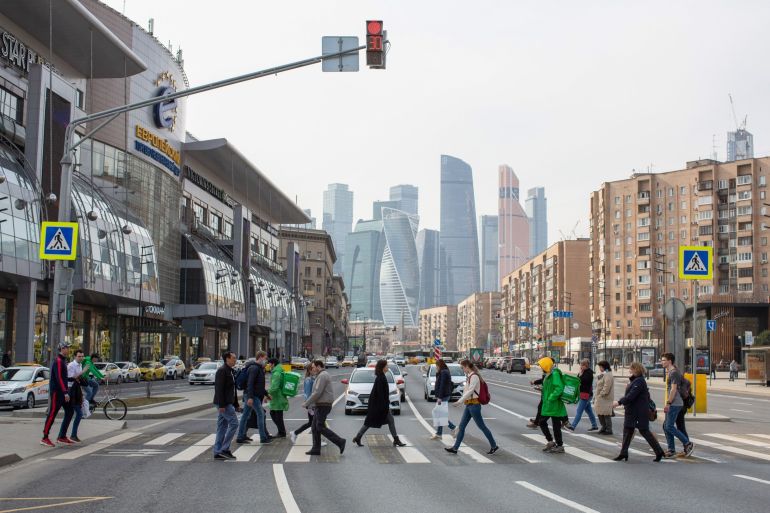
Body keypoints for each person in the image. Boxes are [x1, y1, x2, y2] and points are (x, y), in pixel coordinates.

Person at [612, 361, 665, 462]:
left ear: (636, 369)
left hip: (638, 412)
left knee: (644, 431)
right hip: (633, 411)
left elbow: (631, 396)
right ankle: (623, 453)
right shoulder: (635, 380)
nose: (629, 370)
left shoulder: (639, 381)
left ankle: (659, 451)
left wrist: (618, 402)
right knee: (628, 431)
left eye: (631, 369)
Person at [444, 359, 498, 455]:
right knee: (461, 427)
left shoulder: (474, 377)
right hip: (469, 405)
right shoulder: (470, 376)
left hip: (474, 406)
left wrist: (459, 401)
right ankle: (455, 448)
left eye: (462, 368)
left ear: (467, 366)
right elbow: (467, 391)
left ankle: (494, 445)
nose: (462, 370)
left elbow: (470, 391)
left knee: (482, 427)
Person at [353, 359, 406, 447]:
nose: (388, 367)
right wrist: (384, 406)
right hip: (379, 406)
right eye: (386, 366)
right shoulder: (381, 378)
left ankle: (358, 437)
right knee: (370, 422)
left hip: (378, 405)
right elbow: (381, 394)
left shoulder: (381, 376)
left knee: (372, 422)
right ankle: (396, 440)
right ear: (382, 367)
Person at [302, 360, 345, 456]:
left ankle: (340, 441)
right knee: (314, 427)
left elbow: (317, 392)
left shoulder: (322, 376)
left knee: (319, 426)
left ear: (318, 366)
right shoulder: (320, 375)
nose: (312, 369)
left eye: (313, 367)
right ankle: (316, 449)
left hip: (324, 405)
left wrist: (307, 403)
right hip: (320, 404)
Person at [41, 342, 75, 447]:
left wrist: (72, 379)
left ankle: (62, 436)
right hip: (57, 392)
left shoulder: (63, 360)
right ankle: (44, 438)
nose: (68, 350)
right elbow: (59, 378)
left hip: (62, 392)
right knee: (52, 413)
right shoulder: (59, 361)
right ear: (62, 349)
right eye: (67, 348)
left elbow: (63, 377)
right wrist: (65, 392)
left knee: (70, 411)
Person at [660, 353, 694, 458]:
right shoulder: (671, 372)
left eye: (664, 360)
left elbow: (673, 389)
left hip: (675, 403)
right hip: (676, 403)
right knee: (667, 426)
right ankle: (671, 450)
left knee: (669, 426)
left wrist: (668, 403)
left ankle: (687, 443)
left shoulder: (673, 373)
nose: (662, 362)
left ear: (670, 361)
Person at [237, 351, 270, 444]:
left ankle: (241, 436)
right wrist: (250, 397)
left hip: (252, 395)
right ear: (260, 357)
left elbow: (259, 385)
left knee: (245, 415)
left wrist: (266, 394)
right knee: (260, 414)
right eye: (265, 358)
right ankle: (263, 437)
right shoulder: (254, 368)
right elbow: (250, 384)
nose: (266, 361)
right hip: (252, 396)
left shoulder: (259, 368)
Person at [212, 351, 240, 460]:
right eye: (233, 358)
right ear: (227, 359)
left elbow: (233, 390)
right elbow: (218, 389)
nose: (235, 360)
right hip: (223, 404)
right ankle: (224, 449)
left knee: (222, 427)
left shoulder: (230, 371)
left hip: (227, 403)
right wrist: (222, 404)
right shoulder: (222, 371)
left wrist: (236, 404)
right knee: (234, 424)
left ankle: (218, 451)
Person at [535, 357, 566, 454]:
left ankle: (556, 444)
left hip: (553, 404)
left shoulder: (555, 373)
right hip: (549, 404)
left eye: (542, 366)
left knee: (544, 422)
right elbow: (550, 387)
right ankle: (554, 443)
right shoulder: (549, 373)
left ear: (546, 366)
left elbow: (559, 388)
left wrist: (551, 398)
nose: (541, 368)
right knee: (553, 424)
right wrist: (542, 389)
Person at [565, 359, 598, 432]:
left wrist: (580, 374)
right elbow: (577, 380)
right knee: (589, 411)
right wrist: (580, 373)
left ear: (585, 365)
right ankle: (594, 425)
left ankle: (573, 426)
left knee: (579, 411)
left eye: (581, 365)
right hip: (583, 394)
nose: (580, 367)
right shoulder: (583, 372)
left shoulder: (589, 373)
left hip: (586, 395)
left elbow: (583, 380)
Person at [290, 365, 318, 444]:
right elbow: (307, 393)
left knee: (312, 423)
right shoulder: (308, 380)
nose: (315, 369)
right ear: (309, 370)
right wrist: (308, 404)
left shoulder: (312, 378)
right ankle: (316, 441)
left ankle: (295, 433)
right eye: (313, 368)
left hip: (311, 404)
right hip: (311, 405)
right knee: (315, 423)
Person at [430, 358, 457, 439]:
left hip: (443, 396)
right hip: (443, 396)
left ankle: (454, 428)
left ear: (439, 365)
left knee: (438, 414)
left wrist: (440, 397)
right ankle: (439, 433)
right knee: (440, 414)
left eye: (437, 366)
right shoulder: (442, 372)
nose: (436, 367)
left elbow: (442, 385)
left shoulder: (444, 372)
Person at [66, 349, 87, 443]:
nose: (81, 358)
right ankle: (72, 435)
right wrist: (82, 372)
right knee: (78, 413)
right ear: (75, 356)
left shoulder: (80, 365)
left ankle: (72, 435)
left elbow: (78, 379)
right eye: (79, 356)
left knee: (76, 413)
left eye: (82, 356)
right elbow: (70, 379)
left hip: (77, 390)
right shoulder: (71, 365)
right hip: (70, 391)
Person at [267, 357, 288, 438]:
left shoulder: (276, 373)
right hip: (278, 397)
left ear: (273, 364)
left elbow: (274, 387)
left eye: (269, 363)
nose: (268, 365)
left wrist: (267, 395)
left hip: (277, 397)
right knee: (275, 414)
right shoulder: (278, 371)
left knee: (277, 415)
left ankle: (282, 432)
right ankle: (281, 431)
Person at [594, 360, 614, 435]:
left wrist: (601, 394)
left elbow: (606, 386)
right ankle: (603, 427)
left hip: (605, 398)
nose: (599, 368)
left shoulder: (608, 375)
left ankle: (608, 429)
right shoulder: (603, 374)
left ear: (604, 367)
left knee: (606, 414)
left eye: (600, 367)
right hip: (600, 398)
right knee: (600, 413)